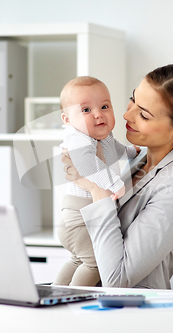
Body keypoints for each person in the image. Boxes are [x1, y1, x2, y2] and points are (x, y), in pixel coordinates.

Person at [61, 64, 173, 289]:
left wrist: (95, 190)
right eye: (133, 99)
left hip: (129, 311)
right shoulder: (141, 159)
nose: (127, 114)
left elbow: (118, 280)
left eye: (144, 115)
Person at [54, 76, 140, 286]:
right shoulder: (77, 139)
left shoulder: (104, 136)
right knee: (94, 263)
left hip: (83, 215)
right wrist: (114, 184)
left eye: (104, 106)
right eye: (86, 110)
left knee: (78, 260)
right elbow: (89, 166)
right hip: (78, 216)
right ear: (67, 119)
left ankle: (57, 291)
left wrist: (132, 152)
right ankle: (73, 299)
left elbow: (116, 150)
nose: (98, 114)